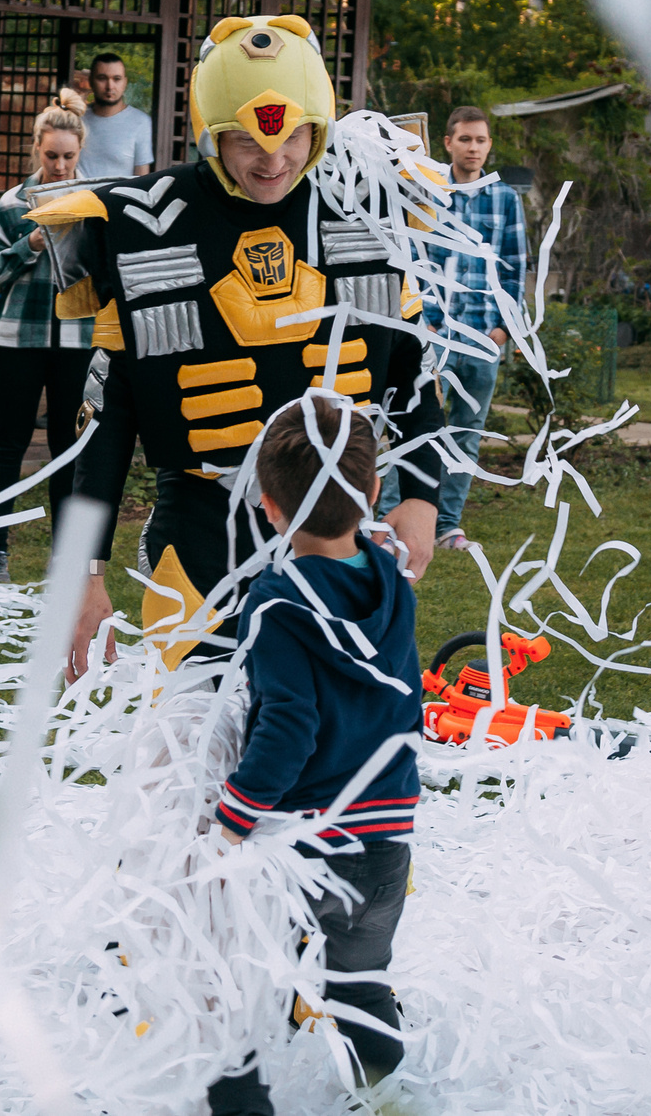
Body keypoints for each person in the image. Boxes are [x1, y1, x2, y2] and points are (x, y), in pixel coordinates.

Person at [29, 16, 444, 681]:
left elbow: (412, 377)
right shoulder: (136, 225)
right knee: (188, 742)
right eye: (247, 137)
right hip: (200, 536)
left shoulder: (366, 214)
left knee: (326, 746)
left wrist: (422, 497)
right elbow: (104, 424)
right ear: (210, 126)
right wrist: (86, 571)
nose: (272, 158)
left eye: (293, 134)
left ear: (319, 124)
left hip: (336, 535)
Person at [206, 394, 420, 1113]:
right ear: (375, 494)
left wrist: (234, 815)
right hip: (388, 837)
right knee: (360, 977)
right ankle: (379, 1066)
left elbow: (289, 727)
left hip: (309, 847)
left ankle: (239, 1098)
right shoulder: (392, 581)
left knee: (242, 969)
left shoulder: (276, 604)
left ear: (268, 506)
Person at [381, 105, 525, 552]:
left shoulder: (505, 199)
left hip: (482, 337)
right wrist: (418, 325)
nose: (474, 148)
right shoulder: (428, 190)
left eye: (481, 140)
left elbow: (515, 267)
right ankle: (389, 520)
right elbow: (409, 256)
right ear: (448, 143)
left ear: (489, 145)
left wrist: (503, 329)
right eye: (465, 139)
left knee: (467, 431)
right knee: (414, 427)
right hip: (430, 335)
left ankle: (447, 525)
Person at [0, 91, 97, 584]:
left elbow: (106, 270)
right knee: (10, 445)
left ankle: (63, 561)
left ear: (80, 151)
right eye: (51, 156)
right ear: (36, 150)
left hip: (77, 340)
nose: (61, 164)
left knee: (68, 447)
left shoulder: (96, 201)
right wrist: (31, 242)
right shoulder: (11, 204)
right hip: (18, 340)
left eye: (69, 156)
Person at [77, 51, 155, 179]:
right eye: (102, 78)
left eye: (116, 79)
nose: (110, 86)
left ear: (125, 82)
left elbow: (142, 176)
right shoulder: (77, 119)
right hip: (79, 196)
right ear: (91, 81)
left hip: (118, 197)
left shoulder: (141, 122)